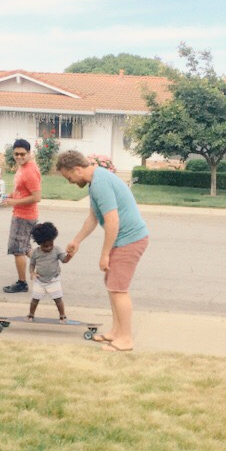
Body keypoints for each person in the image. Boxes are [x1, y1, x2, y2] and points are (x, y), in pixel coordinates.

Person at [56, 150, 149, 352]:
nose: (70, 182)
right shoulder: (95, 181)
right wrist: (77, 241)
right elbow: (93, 217)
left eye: (68, 177)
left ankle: (126, 339)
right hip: (124, 240)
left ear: (77, 169)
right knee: (112, 286)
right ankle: (116, 332)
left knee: (118, 289)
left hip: (130, 239)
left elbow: (112, 221)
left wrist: (105, 254)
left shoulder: (100, 183)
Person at [2, 138, 41, 293]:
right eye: (16, 154)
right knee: (25, 248)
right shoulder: (23, 168)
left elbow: (36, 197)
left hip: (24, 217)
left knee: (18, 250)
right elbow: (22, 191)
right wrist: (10, 196)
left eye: (22, 154)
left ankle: (22, 283)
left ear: (29, 153)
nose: (19, 157)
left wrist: (14, 202)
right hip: (22, 214)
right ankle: (47, 264)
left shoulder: (30, 171)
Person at [26, 222, 73, 322]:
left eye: (51, 244)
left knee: (58, 299)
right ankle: (31, 314)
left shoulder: (57, 250)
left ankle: (62, 315)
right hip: (39, 280)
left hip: (53, 280)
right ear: (39, 243)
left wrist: (69, 256)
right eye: (45, 246)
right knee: (35, 299)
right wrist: (32, 273)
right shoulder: (35, 253)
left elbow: (64, 260)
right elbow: (32, 264)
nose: (48, 247)